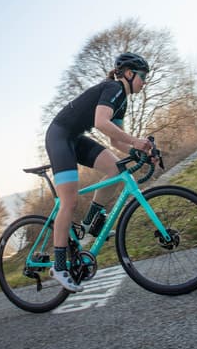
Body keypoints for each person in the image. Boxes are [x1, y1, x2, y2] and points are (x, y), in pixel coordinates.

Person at [45, 51, 154, 292]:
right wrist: (136, 141)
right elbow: (101, 122)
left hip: (75, 138)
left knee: (116, 168)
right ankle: (60, 266)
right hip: (60, 136)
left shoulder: (122, 101)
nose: (144, 81)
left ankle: (92, 223)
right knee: (69, 201)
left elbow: (117, 142)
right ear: (128, 73)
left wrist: (141, 151)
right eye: (142, 76)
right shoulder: (114, 88)